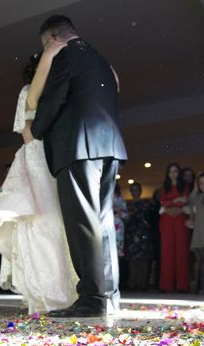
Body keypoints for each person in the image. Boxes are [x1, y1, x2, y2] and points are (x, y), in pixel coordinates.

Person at [23, 15, 128, 317]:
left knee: (83, 223)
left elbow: (53, 100)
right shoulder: (100, 60)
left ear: (51, 39)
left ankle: (92, 299)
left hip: (79, 147)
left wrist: (36, 129)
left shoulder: (65, 56)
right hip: (109, 147)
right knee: (103, 223)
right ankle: (109, 296)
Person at [0, 47, 77, 313]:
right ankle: (41, 290)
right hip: (37, 159)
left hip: (55, 158)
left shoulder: (60, 90)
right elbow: (26, 131)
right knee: (39, 222)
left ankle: (66, 289)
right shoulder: (29, 92)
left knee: (59, 225)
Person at [158, 163, 190, 292]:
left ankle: (182, 285)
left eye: (175, 171)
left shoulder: (185, 186)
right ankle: (167, 285)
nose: (173, 174)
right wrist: (175, 202)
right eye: (170, 171)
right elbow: (162, 202)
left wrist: (169, 205)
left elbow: (184, 201)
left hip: (180, 219)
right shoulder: (164, 186)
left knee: (181, 252)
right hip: (167, 220)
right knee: (167, 252)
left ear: (179, 173)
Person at [125, 182, 154, 291]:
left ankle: (143, 285)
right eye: (133, 190)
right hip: (131, 236)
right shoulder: (127, 205)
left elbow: (150, 220)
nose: (135, 192)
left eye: (137, 189)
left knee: (144, 261)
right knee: (132, 261)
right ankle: (132, 284)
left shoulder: (147, 204)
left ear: (140, 191)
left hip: (144, 235)